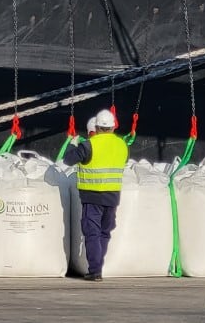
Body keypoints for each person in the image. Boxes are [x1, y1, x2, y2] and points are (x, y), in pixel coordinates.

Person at [61, 108, 128, 282]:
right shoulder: (122, 145)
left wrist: (72, 143)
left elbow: (68, 160)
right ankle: (97, 266)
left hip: (92, 196)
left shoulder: (89, 145)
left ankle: (95, 270)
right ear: (113, 128)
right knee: (105, 233)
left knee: (92, 233)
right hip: (112, 196)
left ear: (96, 128)